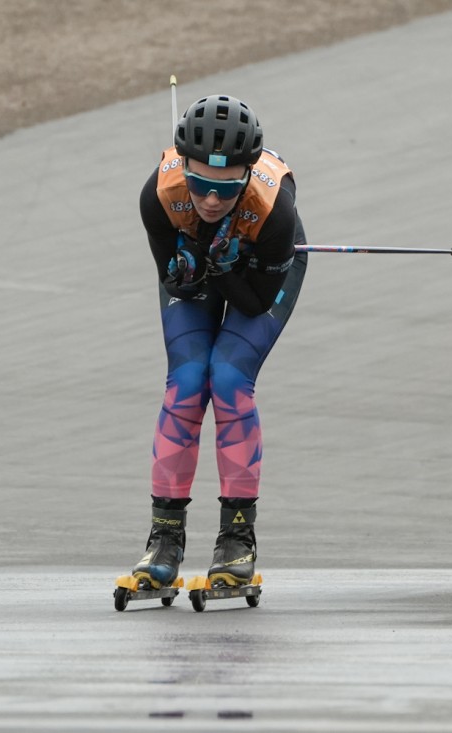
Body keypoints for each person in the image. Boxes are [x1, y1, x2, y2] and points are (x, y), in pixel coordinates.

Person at [126, 94, 308, 591]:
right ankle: (165, 536)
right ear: (184, 167)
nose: (210, 200)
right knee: (186, 382)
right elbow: (177, 281)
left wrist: (224, 267)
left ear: (249, 174)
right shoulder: (159, 196)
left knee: (228, 380)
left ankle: (237, 538)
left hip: (258, 272)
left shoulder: (276, 214)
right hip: (205, 258)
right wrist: (193, 267)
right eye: (201, 184)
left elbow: (253, 304)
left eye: (226, 190)